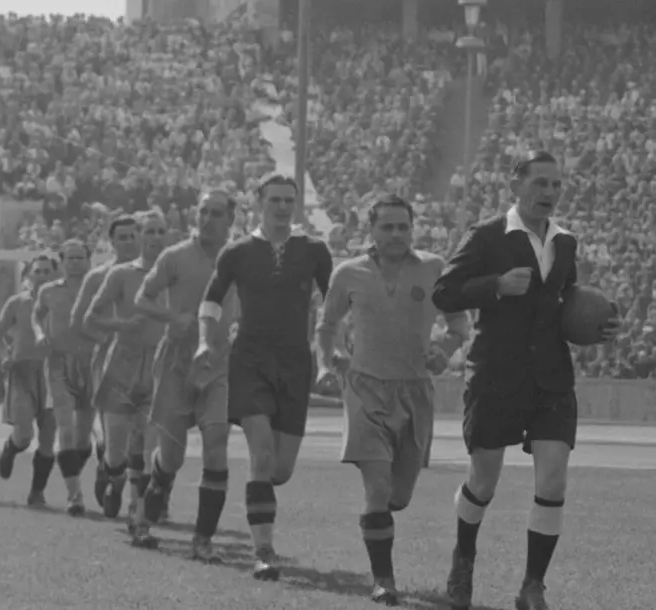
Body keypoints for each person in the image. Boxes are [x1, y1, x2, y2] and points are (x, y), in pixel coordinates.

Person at [432, 151, 621, 610]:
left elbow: (566, 308)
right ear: (515, 184)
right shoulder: (487, 236)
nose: (550, 193)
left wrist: (597, 328)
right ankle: (463, 561)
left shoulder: (566, 243)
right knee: (484, 480)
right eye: (541, 183)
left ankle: (532, 586)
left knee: (553, 481)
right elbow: (443, 293)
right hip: (495, 373)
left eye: (557, 185)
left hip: (551, 378)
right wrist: (493, 285)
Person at [315, 194, 471, 604]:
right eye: (388, 227)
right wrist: (327, 360)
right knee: (378, 486)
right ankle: (384, 580)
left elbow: (459, 323)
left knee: (398, 497)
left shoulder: (435, 268)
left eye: (404, 226)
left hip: (415, 391)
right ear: (371, 230)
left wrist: (445, 349)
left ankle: (378, 528)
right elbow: (326, 325)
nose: (397, 234)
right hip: (364, 388)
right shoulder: (348, 273)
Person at [198, 173, 333, 580]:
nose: (281, 206)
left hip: (295, 362)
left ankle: (260, 494)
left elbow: (334, 303)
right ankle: (264, 552)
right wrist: (205, 341)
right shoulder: (237, 252)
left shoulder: (314, 251)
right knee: (260, 452)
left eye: (288, 200)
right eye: (274, 199)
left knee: (280, 470)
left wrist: (334, 350)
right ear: (259, 202)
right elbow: (211, 299)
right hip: (250, 360)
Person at [133, 190, 238, 561]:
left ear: (231, 219)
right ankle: (147, 511)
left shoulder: (238, 258)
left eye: (216, 212)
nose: (207, 218)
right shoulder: (175, 256)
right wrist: (172, 318)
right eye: (202, 211)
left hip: (218, 363)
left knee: (216, 444)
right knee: (172, 457)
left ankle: (202, 540)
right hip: (177, 361)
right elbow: (142, 299)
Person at [86, 210, 168, 548]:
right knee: (117, 447)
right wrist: (121, 326)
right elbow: (92, 317)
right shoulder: (120, 275)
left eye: (160, 231)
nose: (152, 237)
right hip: (122, 363)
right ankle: (112, 475)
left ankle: (139, 521)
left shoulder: (174, 275)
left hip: (159, 366)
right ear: (139, 235)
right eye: (147, 231)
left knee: (146, 447)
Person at [68, 216, 141, 510]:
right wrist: (107, 336)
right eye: (121, 237)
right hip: (110, 361)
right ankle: (111, 472)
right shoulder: (98, 277)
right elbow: (78, 321)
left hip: (149, 360)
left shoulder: (155, 273)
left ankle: (145, 500)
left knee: (146, 430)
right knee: (116, 435)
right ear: (111, 242)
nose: (128, 242)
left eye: (132, 236)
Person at [33, 239, 94, 516]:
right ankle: (75, 496)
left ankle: (72, 474)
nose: (75, 262)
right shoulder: (49, 291)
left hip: (91, 364)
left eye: (80, 257)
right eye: (69, 258)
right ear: (62, 261)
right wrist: (40, 333)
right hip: (58, 363)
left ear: (89, 260)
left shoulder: (98, 288)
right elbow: (37, 315)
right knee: (65, 430)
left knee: (82, 438)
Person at [0, 253, 58, 507]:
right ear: (28, 275)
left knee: (48, 439)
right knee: (24, 434)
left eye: (46, 271)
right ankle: (11, 447)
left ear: (55, 275)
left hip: (53, 375)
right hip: (22, 373)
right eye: (37, 271)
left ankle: (36, 492)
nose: (42, 276)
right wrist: (3, 357)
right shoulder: (17, 303)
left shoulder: (64, 301)